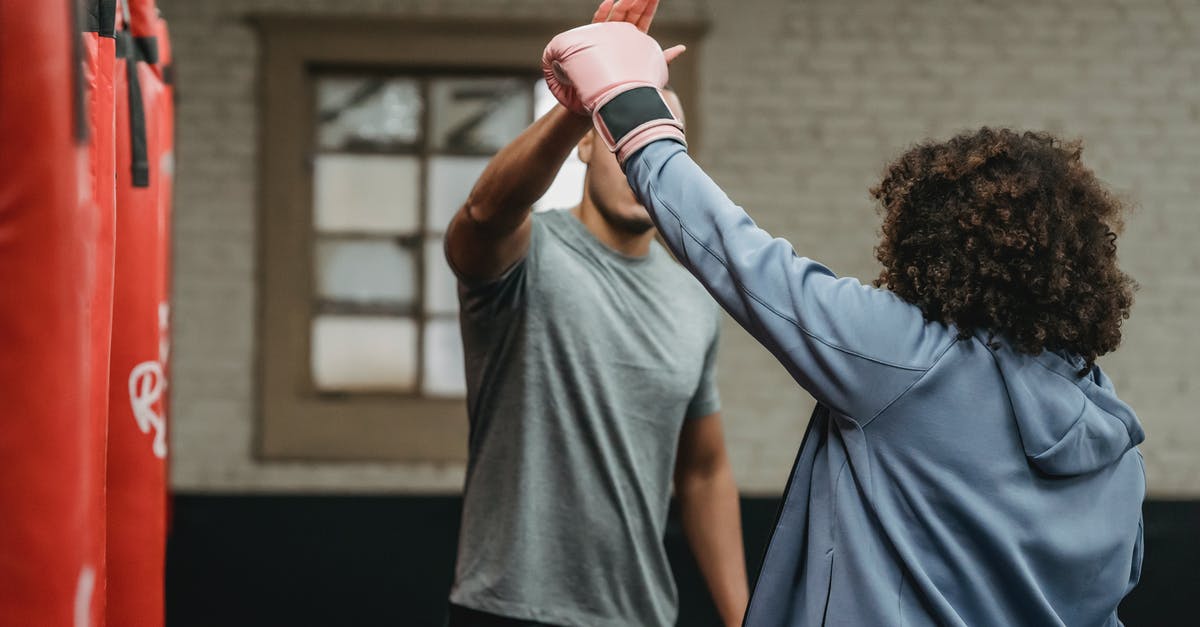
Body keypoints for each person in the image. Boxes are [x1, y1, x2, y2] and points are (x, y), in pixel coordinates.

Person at [541, 18, 1146, 627]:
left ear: (930, 248)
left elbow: (737, 254)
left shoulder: (910, 363)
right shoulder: (1116, 440)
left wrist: (626, 101)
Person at [442, 3, 749, 626]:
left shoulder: (692, 299)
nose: (638, 158)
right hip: (507, 609)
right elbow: (481, 216)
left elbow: (703, 470)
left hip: (637, 616)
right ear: (586, 144)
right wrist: (586, 98)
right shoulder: (526, 254)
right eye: (620, 134)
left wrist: (745, 615)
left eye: (658, 142)